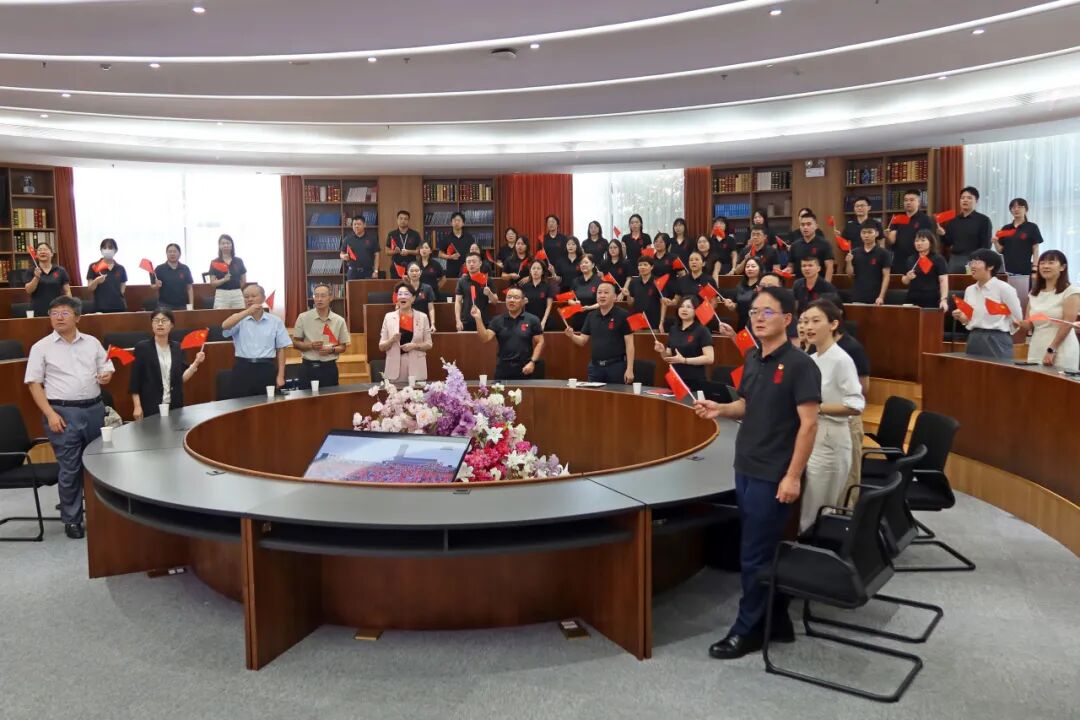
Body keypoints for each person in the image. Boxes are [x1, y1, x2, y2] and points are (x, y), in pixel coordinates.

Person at [693, 287, 821, 659]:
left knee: (753, 554)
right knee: (760, 548)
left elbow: (809, 424)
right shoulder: (752, 357)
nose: (758, 318)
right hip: (746, 465)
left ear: (787, 319)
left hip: (774, 473)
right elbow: (746, 405)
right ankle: (776, 621)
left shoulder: (800, 365)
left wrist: (793, 475)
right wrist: (720, 408)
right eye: (754, 312)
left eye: (767, 312)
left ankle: (746, 630)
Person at [24, 296, 114, 539]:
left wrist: (106, 375)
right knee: (70, 468)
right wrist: (50, 414)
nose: (59, 317)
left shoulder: (92, 342)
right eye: (54, 313)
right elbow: (34, 384)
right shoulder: (41, 347)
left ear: (77, 317)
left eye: (64, 313)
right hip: (62, 413)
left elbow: (106, 367)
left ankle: (100, 513)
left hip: (94, 410)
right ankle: (72, 520)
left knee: (98, 464)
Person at [798, 300, 864, 530]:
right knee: (807, 501)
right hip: (813, 435)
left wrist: (816, 408)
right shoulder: (813, 359)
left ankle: (815, 545)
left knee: (818, 506)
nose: (808, 327)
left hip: (831, 439)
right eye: (805, 321)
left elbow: (856, 404)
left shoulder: (841, 359)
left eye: (816, 321)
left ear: (833, 324)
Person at [130, 308, 205, 419]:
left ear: (171, 325)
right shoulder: (142, 348)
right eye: (156, 320)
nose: (160, 324)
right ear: (152, 325)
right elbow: (135, 380)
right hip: (151, 405)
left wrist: (196, 363)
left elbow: (180, 379)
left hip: (175, 405)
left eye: (164, 320)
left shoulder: (178, 347)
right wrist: (137, 406)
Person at [221, 284, 292, 397]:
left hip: (266, 368)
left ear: (263, 298)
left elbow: (281, 349)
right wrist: (247, 312)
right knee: (241, 404)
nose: (249, 299)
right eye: (246, 297)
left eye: (253, 296)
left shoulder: (275, 321)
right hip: (243, 368)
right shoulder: (238, 318)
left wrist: (280, 375)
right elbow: (224, 326)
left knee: (267, 403)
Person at [951, 249, 1022, 359]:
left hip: (997, 338)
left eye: (977, 262)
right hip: (974, 337)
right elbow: (968, 319)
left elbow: (1017, 318)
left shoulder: (1004, 288)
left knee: (998, 369)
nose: (972, 266)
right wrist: (961, 317)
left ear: (991, 266)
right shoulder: (970, 290)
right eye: (971, 262)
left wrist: (1002, 330)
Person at [564, 281, 635, 384]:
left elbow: (630, 344)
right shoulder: (591, 316)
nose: (602, 295)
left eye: (606, 292)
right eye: (599, 292)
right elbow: (582, 341)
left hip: (616, 367)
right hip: (595, 367)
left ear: (614, 297)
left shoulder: (623, 315)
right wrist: (572, 336)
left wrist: (630, 369)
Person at [1020, 250, 1079, 370]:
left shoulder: (1071, 291)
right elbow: (1029, 324)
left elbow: (1067, 323)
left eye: (1051, 262)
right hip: (1037, 346)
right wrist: (1014, 321)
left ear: (1062, 267)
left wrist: (1052, 349)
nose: (1045, 266)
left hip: (1060, 348)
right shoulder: (1034, 293)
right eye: (1042, 263)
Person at [473, 287, 545, 381]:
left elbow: (540, 342)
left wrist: (532, 362)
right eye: (509, 297)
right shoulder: (497, 320)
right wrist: (478, 318)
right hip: (503, 370)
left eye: (516, 297)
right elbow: (485, 338)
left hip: (525, 369)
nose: (512, 300)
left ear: (523, 301)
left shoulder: (532, 320)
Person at [292, 283, 350, 389]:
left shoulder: (339, 320)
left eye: (323, 296)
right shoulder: (303, 317)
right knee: (306, 398)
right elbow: (295, 343)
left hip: (329, 368)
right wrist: (310, 346)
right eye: (316, 295)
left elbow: (343, 347)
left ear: (330, 298)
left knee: (330, 398)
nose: (319, 299)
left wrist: (331, 350)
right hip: (308, 367)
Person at [654, 296, 715, 393]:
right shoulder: (673, 329)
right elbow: (668, 357)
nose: (684, 309)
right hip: (676, 379)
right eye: (681, 306)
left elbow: (710, 358)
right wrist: (662, 351)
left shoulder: (702, 330)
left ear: (696, 310)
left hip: (695, 381)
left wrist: (684, 360)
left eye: (689, 307)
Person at [378, 283, 433, 382]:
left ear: (413, 298)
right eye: (400, 294)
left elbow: (429, 344)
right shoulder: (389, 317)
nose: (402, 297)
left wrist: (415, 346)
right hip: (395, 370)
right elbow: (381, 347)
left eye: (406, 294)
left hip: (417, 368)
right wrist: (392, 340)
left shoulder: (423, 317)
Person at [940, 186, 993, 274]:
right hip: (955, 260)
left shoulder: (984, 220)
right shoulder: (953, 221)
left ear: (976, 201)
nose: (965, 200)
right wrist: (942, 234)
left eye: (969, 198)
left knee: (973, 282)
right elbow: (948, 242)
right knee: (952, 282)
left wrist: (979, 261)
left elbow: (986, 245)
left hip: (974, 260)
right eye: (962, 198)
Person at [886, 189, 935, 275]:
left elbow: (929, 242)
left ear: (918, 202)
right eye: (906, 200)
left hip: (918, 260)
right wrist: (887, 236)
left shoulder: (925, 219)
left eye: (912, 200)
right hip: (899, 260)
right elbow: (891, 241)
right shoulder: (898, 218)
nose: (908, 202)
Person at [994, 198, 1044, 277]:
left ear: (1026, 210)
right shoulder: (1006, 228)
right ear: (1011, 211)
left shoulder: (1032, 227)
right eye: (1013, 207)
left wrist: (1035, 267)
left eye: (1020, 207)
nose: (1016, 209)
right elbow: (1000, 250)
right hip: (1006, 270)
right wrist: (995, 242)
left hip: (1024, 269)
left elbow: (1035, 249)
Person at [901, 229, 949, 310]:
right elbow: (904, 281)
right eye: (916, 241)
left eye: (923, 240)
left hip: (931, 298)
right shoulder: (911, 259)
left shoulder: (938, 259)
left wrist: (943, 300)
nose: (919, 243)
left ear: (931, 242)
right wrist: (908, 277)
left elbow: (943, 280)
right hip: (912, 297)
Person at [846, 221, 892, 305]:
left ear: (876, 233)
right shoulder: (854, 252)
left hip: (876, 297)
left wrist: (881, 297)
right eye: (863, 232)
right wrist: (848, 262)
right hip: (858, 296)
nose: (866, 235)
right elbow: (850, 275)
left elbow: (886, 276)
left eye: (870, 232)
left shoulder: (884, 253)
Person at [23, 241, 72, 317]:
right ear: (36, 255)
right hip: (37, 311)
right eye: (40, 250)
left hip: (57, 311)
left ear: (52, 254)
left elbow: (67, 291)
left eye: (45, 249)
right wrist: (36, 277)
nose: (42, 252)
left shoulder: (60, 270)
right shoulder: (31, 271)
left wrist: (69, 307)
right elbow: (29, 290)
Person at [454, 253, 498, 331]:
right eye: (468, 262)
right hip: (466, 320)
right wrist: (458, 320)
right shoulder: (462, 281)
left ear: (480, 263)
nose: (471, 264)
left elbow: (495, 301)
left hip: (484, 320)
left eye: (474, 261)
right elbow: (458, 301)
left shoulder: (487, 280)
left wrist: (489, 293)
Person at [786, 212, 834, 282]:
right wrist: (787, 270)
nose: (805, 227)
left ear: (816, 226)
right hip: (800, 284)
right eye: (802, 225)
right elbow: (791, 266)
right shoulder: (795, 245)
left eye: (809, 224)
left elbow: (829, 268)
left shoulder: (825, 244)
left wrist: (826, 285)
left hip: (819, 284)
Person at [86, 237, 128, 313]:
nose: (107, 250)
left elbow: (123, 287)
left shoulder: (120, 268)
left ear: (115, 250)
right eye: (104, 248)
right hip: (100, 307)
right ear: (101, 250)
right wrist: (96, 281)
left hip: (118, 307)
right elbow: (90, 288)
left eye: (110, 248)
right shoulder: (94, 266)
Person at [621, 257, 663, 329]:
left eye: (645, 265)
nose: (642, 267)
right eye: (640, 265)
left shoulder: (658, 281)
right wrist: (628, 295)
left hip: (654, 320)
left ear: (652, 267)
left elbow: (663, 303)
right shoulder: (634, 281)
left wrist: (661, 322)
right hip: (637, 319)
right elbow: (630, 303)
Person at [208, 234, 247, 309]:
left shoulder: (239, 261)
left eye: (228, 243)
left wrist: (235, 288)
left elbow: (243, 280)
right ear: (219, 246)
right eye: (223, 243)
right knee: (220, 315)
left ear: (232, 245)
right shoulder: (214, 262)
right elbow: (212, 283)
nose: (225, 245)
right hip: (221, 294)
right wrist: (224, 280)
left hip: (237, 294)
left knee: (240, 314)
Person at [154, 243, 195, 310]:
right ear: (166, 253)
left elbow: (189, 288)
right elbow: (152, 286)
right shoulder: (159, 269)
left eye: (175, 251)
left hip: (182, 305)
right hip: (164, 306)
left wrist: (191, 306)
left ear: (179, 254)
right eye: (170, 251)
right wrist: (156, 286)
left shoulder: (185, 268)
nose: (172, 254)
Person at [339, 215, 380, 280]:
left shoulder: (372, 238)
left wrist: (376, 271)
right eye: (354, 224)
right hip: (352, 272)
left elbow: (377, 255)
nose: (356, 226)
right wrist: (344, 256)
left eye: (359, 224)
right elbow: (341, 254)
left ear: (364, 225)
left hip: (368, 272)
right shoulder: (347, 239)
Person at [519, 260, 556, 330]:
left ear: (542, 272)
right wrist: (522, 303)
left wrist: (543, 322)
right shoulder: (525, 286)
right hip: (528, 320)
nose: (535, 271)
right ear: (530, 271)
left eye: (538, 268)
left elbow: (549, 306)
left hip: (544, 319)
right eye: (533, 268)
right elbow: (520, 305)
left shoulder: (547, 286)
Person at [403, 261, 440, 331]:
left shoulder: (427, 288)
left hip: (423, 323)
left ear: (421, 272)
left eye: (416, 271)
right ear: (407, 272)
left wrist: (432, 324)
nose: (414, 273)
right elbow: (399, 307)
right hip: (407, 322)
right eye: (411, 271)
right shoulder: (404, 289)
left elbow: (431, 308)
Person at [436, 211, 472, 279]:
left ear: (463, 223)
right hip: (451, 270)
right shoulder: (446, 238)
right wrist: (450, 257)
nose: (457, 222)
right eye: (455, 220)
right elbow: (440, 254)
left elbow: (473, 253)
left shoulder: (469, 237)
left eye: (459, 220)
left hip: (467, 269)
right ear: (451, 223)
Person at [387, 210, 422, 279]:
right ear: (397, 220)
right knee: (396, 285)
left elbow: (419, 251)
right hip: (396, 266)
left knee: (411, 285)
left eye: (405, 219)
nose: (403, 221)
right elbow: (387, 252)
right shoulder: (392, 234)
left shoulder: (415, 234)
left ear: (408, 221)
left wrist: (408, 252)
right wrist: (395, 252)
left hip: (411, 267)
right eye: (401, 218)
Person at [731, 257, 763, 330]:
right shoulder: (739, 286)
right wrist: (731, 305)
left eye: (753, 266)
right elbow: (736, 305)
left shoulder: (763, 285)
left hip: (759, 323)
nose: (750, 269)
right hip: (742, 324)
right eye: (747, 266)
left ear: (760, 268)